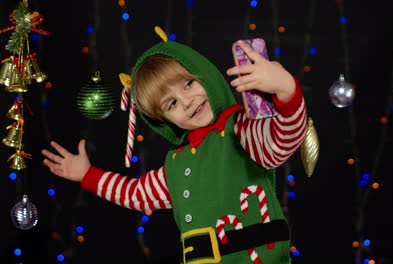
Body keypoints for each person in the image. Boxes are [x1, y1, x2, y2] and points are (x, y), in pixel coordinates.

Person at [42, 36, 307, 263]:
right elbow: (137, 194)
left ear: (204, 74)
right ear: (163, 121)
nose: (188, 102)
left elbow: (281, 141)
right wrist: (87, 175)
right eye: (171, 104)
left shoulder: (241, 129)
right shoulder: (177, 163)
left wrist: (286, 90)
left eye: (188, 84)